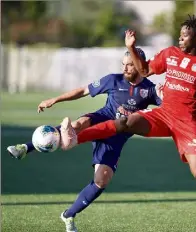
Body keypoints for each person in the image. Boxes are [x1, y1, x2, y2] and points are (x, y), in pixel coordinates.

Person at [60, 15, 196, 218]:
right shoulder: (170, 54)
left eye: (186, 36)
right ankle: (74, 138)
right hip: (163, 114)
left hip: (188, 124)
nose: (180, 39)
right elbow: (145, 70)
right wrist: (131, 48)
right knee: (125, 122)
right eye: (180, 35)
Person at [7, 48, 164, 232]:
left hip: (115, 138)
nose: (125, 68)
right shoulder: (113, 79)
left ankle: (69, 215)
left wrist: (165, 97)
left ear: (140, 65)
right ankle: (25, 148)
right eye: (123, 64)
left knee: (102, 180)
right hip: (100, 119)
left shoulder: (150, 90)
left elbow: (169, 110)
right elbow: (83, 90)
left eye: (130, 65)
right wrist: (54, 100)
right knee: (77, 124)